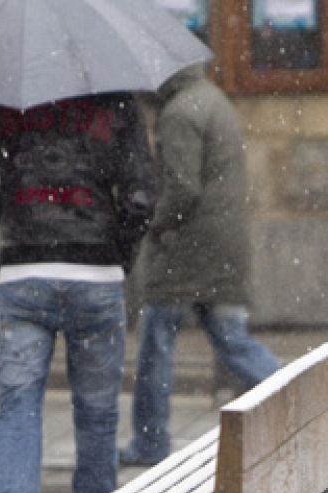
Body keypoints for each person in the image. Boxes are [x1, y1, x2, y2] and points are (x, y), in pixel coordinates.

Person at [0, 93, 155, 493]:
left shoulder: (7, 103)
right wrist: (117, 249)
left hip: (26, 273)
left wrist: (16, 216)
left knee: (19, 406)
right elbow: (142, 199)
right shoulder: (118, 103)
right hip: (96, 274)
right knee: (97, 413)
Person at [119, 65, 281, 467]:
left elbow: (182, 188)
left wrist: (152, 226)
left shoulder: (179, 114)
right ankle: (292, 399)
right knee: (232, 339)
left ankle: (150, 441)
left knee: (156, 345)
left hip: (187, 250)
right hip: (220, 245)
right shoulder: (210, 98)